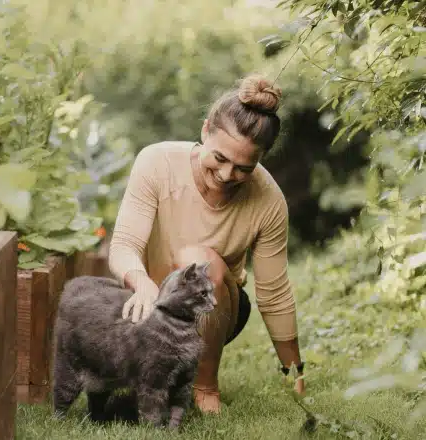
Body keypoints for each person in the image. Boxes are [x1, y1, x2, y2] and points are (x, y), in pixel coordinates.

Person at [108, 74, 305, 415]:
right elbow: (124, 244)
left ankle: (204, 387)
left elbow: (274, 294)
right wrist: (141, 284)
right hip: (147, 301)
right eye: (220, 158)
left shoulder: (268, 199)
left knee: (198, 261)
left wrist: (295, 372)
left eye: (244, 168)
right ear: (205, 130)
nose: (228, 175)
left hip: (215, 311)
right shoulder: (156, 162)